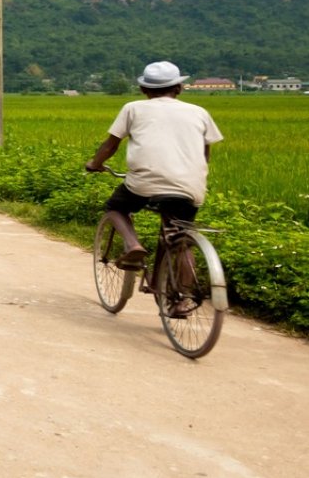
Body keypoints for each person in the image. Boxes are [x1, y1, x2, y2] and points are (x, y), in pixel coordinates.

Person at [83, 61, 224, 301]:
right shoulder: (199, 112)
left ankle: (132, 245)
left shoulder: (133, 108)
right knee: (180, 239)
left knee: (115, 207)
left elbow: (111, 145)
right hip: (190, 185)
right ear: (179, 88)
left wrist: (94, 164)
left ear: (143, 90)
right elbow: (205, 153)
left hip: (144, 183)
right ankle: (182, 300)